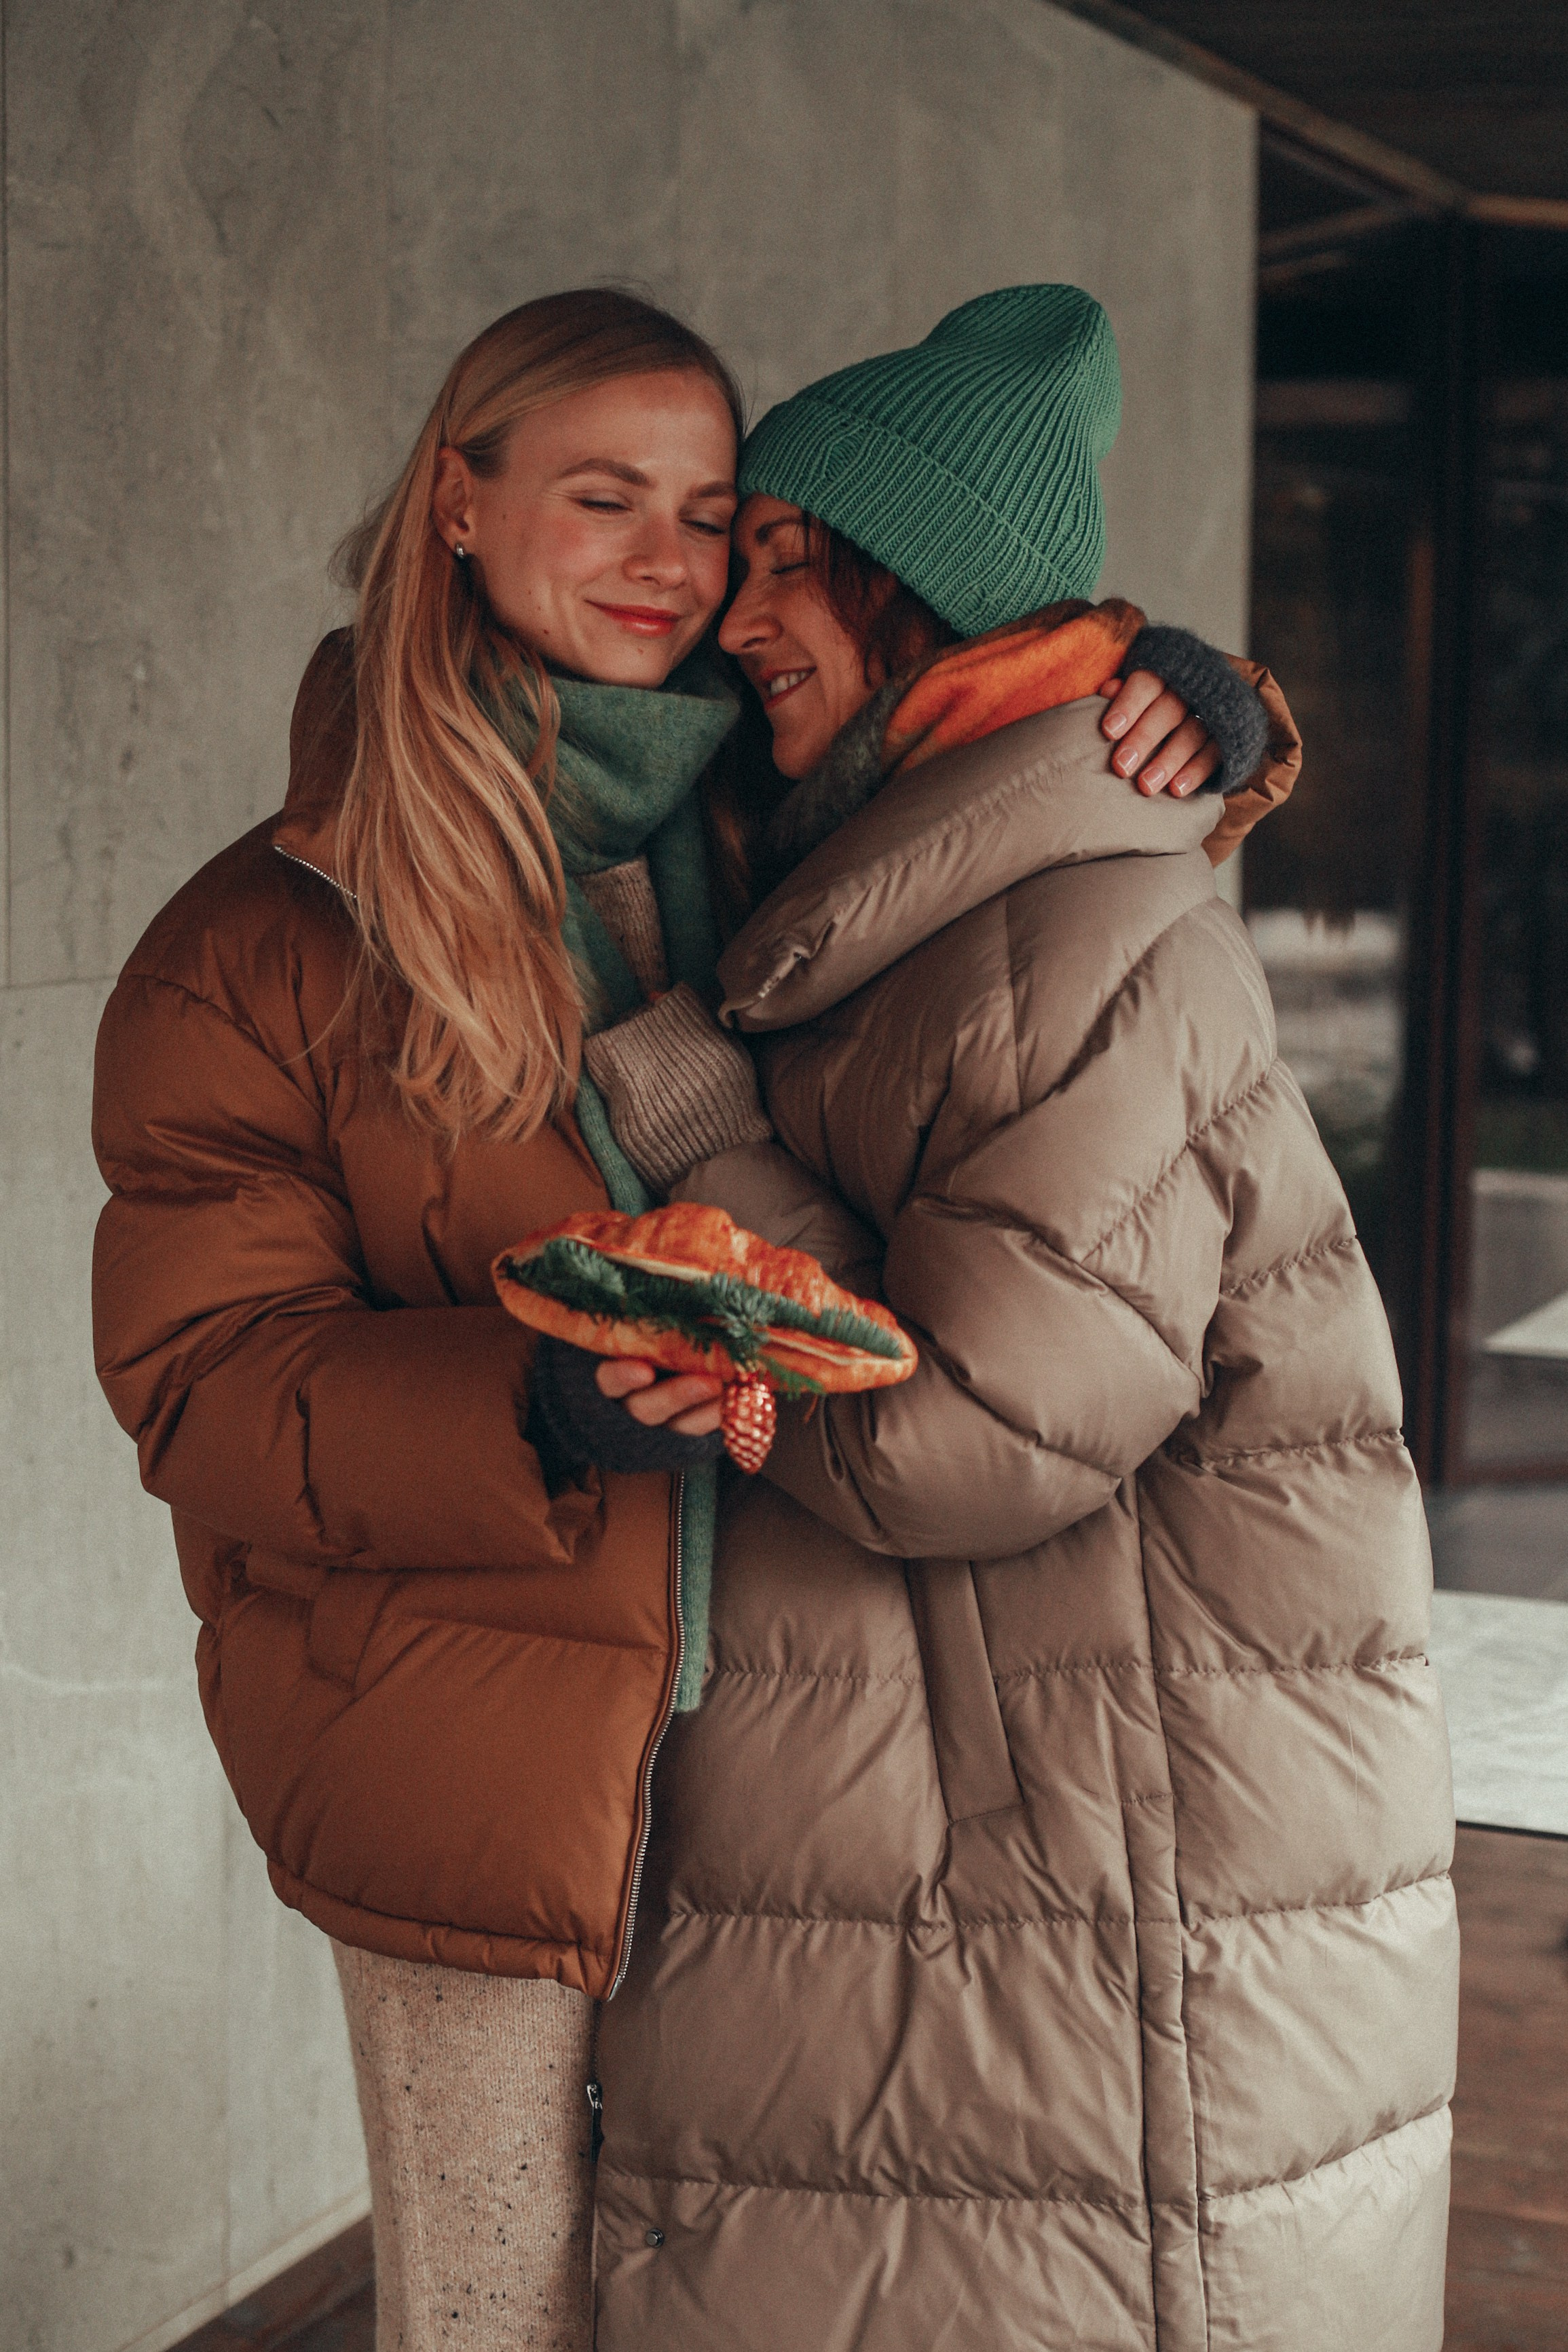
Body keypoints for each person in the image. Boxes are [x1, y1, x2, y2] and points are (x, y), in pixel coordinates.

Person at [89, 286, 1241, 2352]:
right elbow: (204, 1386)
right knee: (499, 2311)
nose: (666, 563)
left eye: (710, 516)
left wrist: (1184, 696)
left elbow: (1000, 805)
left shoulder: (755, 820)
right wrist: (530, 1403)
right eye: (602, 495)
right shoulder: (269, 938)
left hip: (797, 1761)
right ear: (459, 498)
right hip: (485, 1764)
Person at [582, 288, 1455, 2352]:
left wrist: (696, 1120)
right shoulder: (892, 888)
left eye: (794, 559)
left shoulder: (1075, 930)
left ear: (930, 598)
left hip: (1113, 1863)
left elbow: (961, 1425)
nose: (736, 614)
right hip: (1019, 1830)